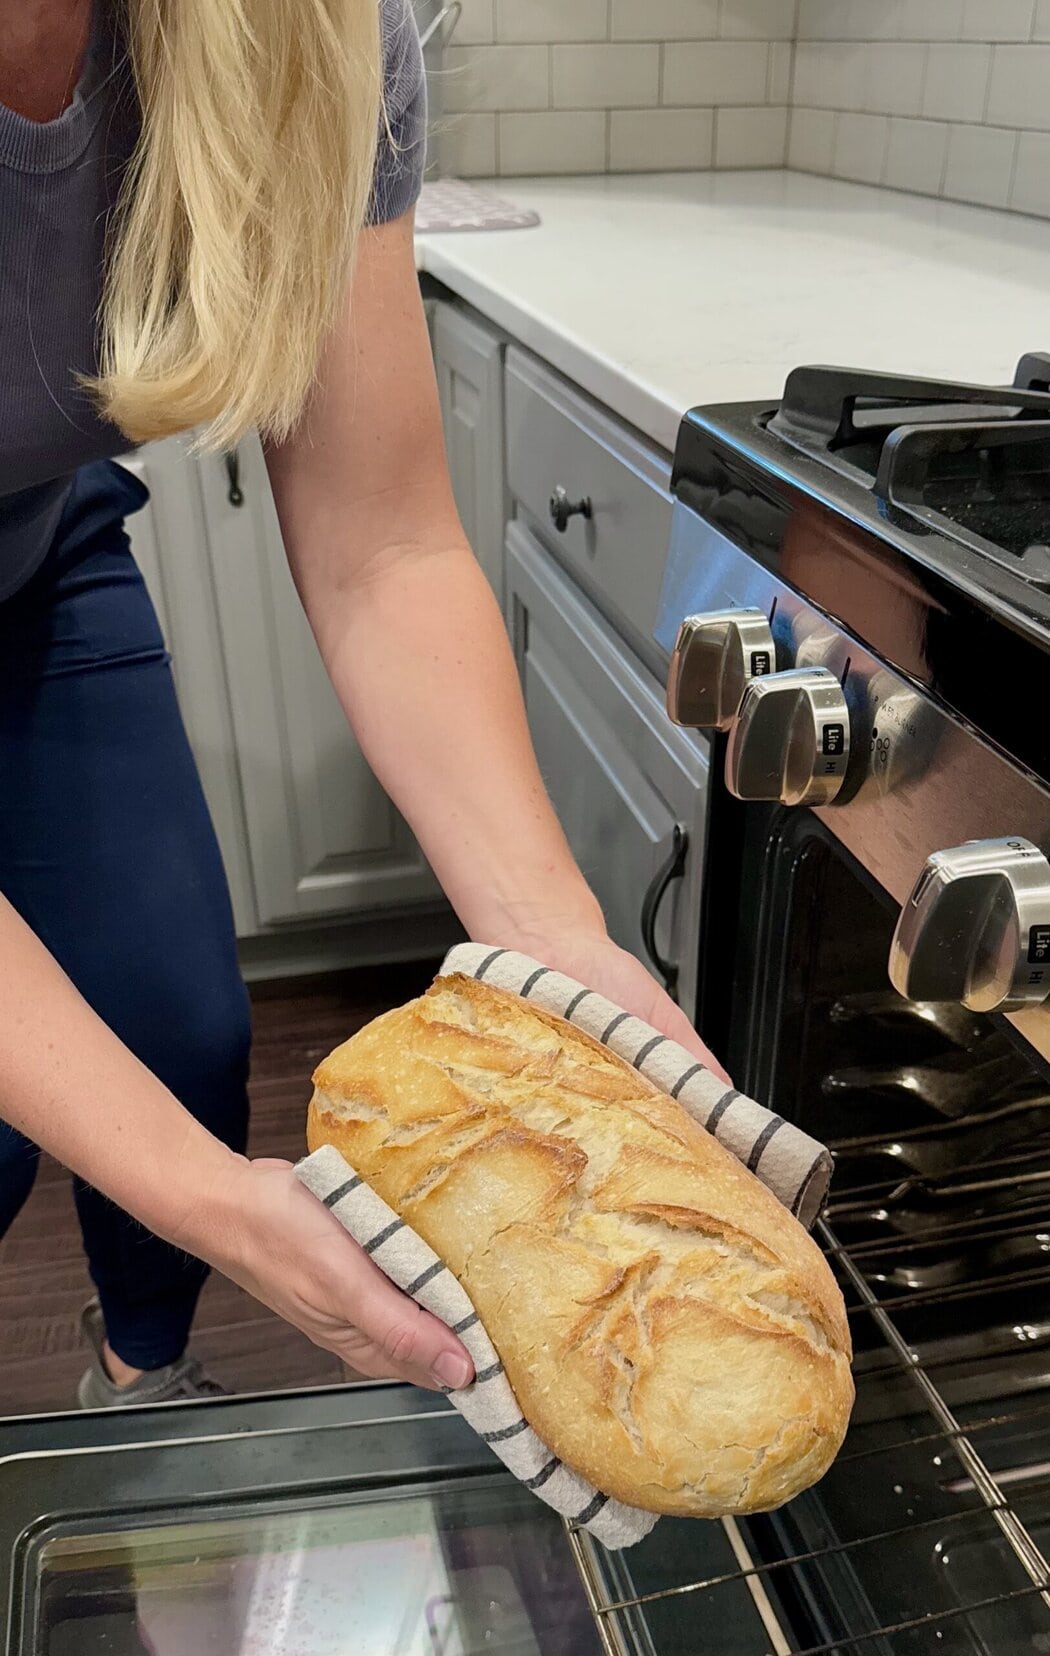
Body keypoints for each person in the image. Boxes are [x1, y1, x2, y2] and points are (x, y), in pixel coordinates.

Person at [0, 0, 727, 1409]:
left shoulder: (295, 25)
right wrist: (208, 1197)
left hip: (39, 554)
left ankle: (137, 1372)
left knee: (180, 1030)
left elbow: (383, 546)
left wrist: (548, 935)